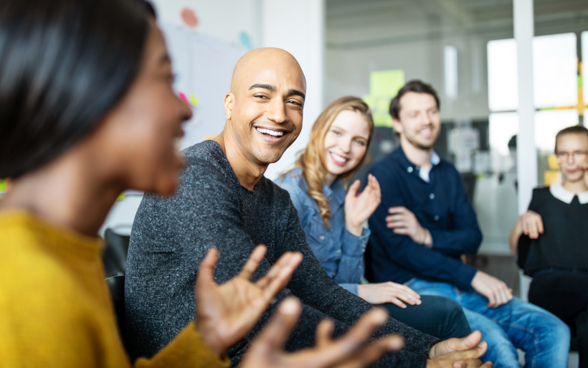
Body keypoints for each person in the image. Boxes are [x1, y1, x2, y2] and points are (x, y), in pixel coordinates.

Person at [0, 0, 407, 367]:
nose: (184, 109)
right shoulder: (13, 292)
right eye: (164, 80)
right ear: (90, 102)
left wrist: (203, 346)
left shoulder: (57, 252)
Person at [126, 48, 492, 368]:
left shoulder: (274, 199)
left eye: (294, 101)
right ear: (230, 104)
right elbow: (267, 310)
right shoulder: (195, 177)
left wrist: (426, 349)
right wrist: (415, 362)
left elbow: (322, 292)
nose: (280, 114)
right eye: (262, 96)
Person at [365, 79, 571, 368]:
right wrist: (472, 276)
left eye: (432, 111)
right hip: (415, 290)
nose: (426, 121)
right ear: (397, 123)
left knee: (552, 330)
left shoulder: (448, 173)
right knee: (496, 345)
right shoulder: (383, 176)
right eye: (414, 114)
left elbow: (472, 237)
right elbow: (403, 252)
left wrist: (427, 236)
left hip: (458, 284)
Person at [274, 95, 471, 340]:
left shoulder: (340, 194)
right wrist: (364, 291)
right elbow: (292, 289)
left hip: (337, 307)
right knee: (447, 314)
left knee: (445, 314)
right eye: (337, 132)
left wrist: (354, 225)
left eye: (358, 141)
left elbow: (345, 280)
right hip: (308, 317)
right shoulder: (290, 194)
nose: (346, 148)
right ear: (319, 130)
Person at [510, 125, 588, 368]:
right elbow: (516, 250)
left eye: (579, 153)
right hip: (549, 287)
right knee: (549, 335)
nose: (570, 161)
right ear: (556, 158)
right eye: (563, 154)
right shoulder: (541, 197)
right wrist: (523, 221)